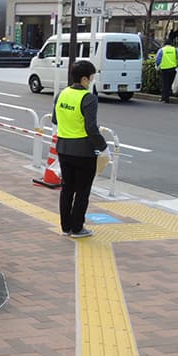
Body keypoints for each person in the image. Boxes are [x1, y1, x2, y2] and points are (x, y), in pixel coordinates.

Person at [51, 61, 108, 238]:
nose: (91, 81)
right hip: (83, 151)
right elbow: (91, 128)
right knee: (82, 190)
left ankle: (66, 227)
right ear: (84, 79)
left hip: (63, 148)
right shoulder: (88, 98)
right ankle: (77, 228)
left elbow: (54, 120)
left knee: (67, 188)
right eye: (90, 78)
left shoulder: (61, 94)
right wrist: (104, 147)